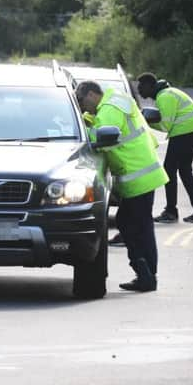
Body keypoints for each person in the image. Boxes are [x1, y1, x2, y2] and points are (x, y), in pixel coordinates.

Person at [77, 81, 169, 292]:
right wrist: (89, 118)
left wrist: (84, 126)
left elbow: (102, 137)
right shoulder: (115, 100)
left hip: (137, 174)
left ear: (91, 95)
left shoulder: (110, 109)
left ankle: (145, 274)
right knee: (139, 225)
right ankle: (146, 274)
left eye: (81, 102)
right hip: (141, 171)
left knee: (131, 225)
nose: (82, 107)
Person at [137, 73, 193, 224]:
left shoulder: (164, 97)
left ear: (150, 86)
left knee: (169, 170)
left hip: (185, 133)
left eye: (141, 86)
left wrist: (145, 122)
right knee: (184, 171)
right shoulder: (167, 93)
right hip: (192, 131)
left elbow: (165, 125)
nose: (139, 90)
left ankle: (171, 212)